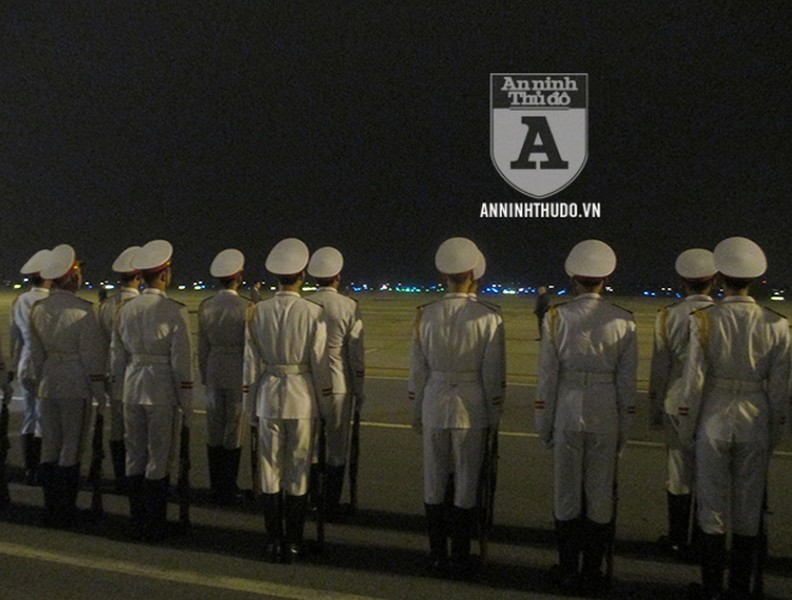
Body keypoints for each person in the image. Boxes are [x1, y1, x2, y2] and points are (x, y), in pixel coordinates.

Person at [679, 237, 789, 600]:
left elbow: (694, 383)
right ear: (754, 280)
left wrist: (687, 429)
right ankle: (741, 588)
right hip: (755, 417)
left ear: (721, 277)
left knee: (712, 506)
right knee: (748, 508)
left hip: (714, 414)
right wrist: (773, 433)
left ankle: (711, 587)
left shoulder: (705, 320)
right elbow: (780, 391)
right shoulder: (777, 324)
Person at [534, 239, 637, 595]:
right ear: (605, 279)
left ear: (573, 278)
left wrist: (543, 425)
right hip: (605, 411)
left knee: (566, 493)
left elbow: (547, 378)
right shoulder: (624, 320)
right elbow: (627, 384)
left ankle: (567, 569)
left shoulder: (556, 317)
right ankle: (593, 571)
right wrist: (624, 429)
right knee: (599, 493)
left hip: (567, 407)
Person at [408, 237, 505, 576]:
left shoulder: (425, 315)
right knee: (466, 480)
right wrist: (493, 415)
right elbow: (492, 375)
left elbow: (417, 371)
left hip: (434, 401)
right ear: (472, 275)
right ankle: (460, 554)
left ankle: (436, 552)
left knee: (434, 479)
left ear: (444, 275)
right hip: (471, 406)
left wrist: (416, 412)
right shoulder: (489, 317)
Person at [243, 238, 331, 563]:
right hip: (302, 397)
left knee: (269, 468)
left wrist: (250, 407)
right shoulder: (313, 312)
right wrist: (325, 405)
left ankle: (272, 540)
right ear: (302, 274)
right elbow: (320, 365)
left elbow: (250, 365)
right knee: (299, 468)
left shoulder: (258, 312)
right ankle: (293, 541)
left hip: (268, 395)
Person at [111, 239, 193, 541]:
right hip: (160, 390)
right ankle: (154, 523)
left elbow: (116, 357)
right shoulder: (174, 311)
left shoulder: (125, 310)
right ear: (165, 274)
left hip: (132, 386)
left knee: (134, 454)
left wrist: (119, 391)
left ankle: (137, 519)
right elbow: (182, 363)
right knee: (159, 456)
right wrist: (185, 401)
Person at [28, 244, 107, 526]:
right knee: (71, 447)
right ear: (72, 276)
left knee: (50, 445)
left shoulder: (38, 309)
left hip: (49, 382)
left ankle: (50, 507)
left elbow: (36, 355)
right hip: (75, 383)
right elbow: (92, 357)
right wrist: (99, 393)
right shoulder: (83, 311)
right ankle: (65, 509)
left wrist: (42, 381)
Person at [648, 249, 716, 560]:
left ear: (682, 282)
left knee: (678, 473)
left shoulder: (668, 316)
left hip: (676, 401)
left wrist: (655, 408)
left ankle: (677, 539)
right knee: (709, 475)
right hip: (712, 403)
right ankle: (704, 540)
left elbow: (659, 369)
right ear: (713, 281)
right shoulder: (719, 314)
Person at [307, 246, 365, 519]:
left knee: (311, 443)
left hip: (311, 379)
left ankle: (312, 497)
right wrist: (359, 389)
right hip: (339, 380)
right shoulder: (349, 306)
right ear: (337, 276)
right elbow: (355, 354)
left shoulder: (306, 304)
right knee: (337, 446)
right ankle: (331, 502)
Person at [198, 248, 252, 504]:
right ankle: (229, 486)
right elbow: (250, 347)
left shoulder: (206, 305)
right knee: (234, 428)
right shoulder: (246, 307)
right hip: (237, 368)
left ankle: (215, 485)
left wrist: (204, 373)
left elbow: (202, 346)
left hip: (214, 367)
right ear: (238, 277)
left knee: (214, 427)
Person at [97, 246, 142, 492]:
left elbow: (100, 343)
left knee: (117, 426)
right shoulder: (139, 304)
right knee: (137, 428)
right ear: (139, 275)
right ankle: (135, 476)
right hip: (137, 373)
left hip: (111, 373)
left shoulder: (106, 305)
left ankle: (120, 477)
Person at [10, 249, 52, 486]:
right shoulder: (49, 302)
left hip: (26, 363)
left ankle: (30, 468)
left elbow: (15, 338)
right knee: (44, 419)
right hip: (46, 365)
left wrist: (13, 366)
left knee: (30, 415)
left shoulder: (20, 300)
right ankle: (41, 469)